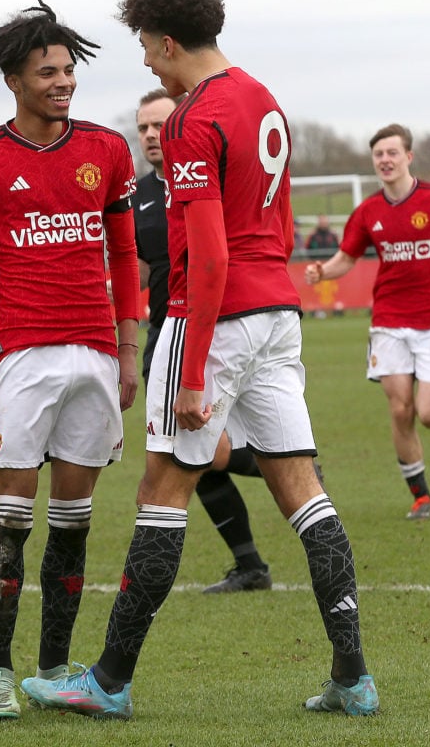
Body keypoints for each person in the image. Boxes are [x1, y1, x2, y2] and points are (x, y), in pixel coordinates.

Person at [21, 0, 378, 718]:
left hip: (208, 317)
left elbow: (210, 255)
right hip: (277, 314)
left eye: (148, 49)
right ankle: (353, 675)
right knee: (302, 490)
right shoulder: (262, 98)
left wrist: (189, 372)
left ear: (170, 39)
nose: (147, 62)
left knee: (162, 490)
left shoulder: (192, 118)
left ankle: (109, 681)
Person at [0, 0, 140, 719]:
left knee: (75, 521)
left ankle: (53, 667)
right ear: (14, 81)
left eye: (68, 70)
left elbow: (123, 253)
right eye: (46, 72)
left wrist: (127, 346)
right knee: (12, 519)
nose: (63, 82)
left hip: (93, 355)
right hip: (19, 359)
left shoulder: (107, 151)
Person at [305, 123, 430, 521]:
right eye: (379, 155)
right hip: (388, 320)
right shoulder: (368, 211)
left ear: (408, 157)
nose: (385, 160)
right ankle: (420, 497)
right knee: (399, 409)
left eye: (392, 153)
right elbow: (347, 258)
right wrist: (324, 271)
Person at [134, 86, 272, 593]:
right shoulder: (140, 196)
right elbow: (143, 265)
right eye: (143, 127)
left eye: (159, 124)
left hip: (221, 331)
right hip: (163, 336)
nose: (151, 135)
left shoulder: (213, 181)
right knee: (194, 457)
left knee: (192, 451)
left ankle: (278, 460)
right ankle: (251, 565)